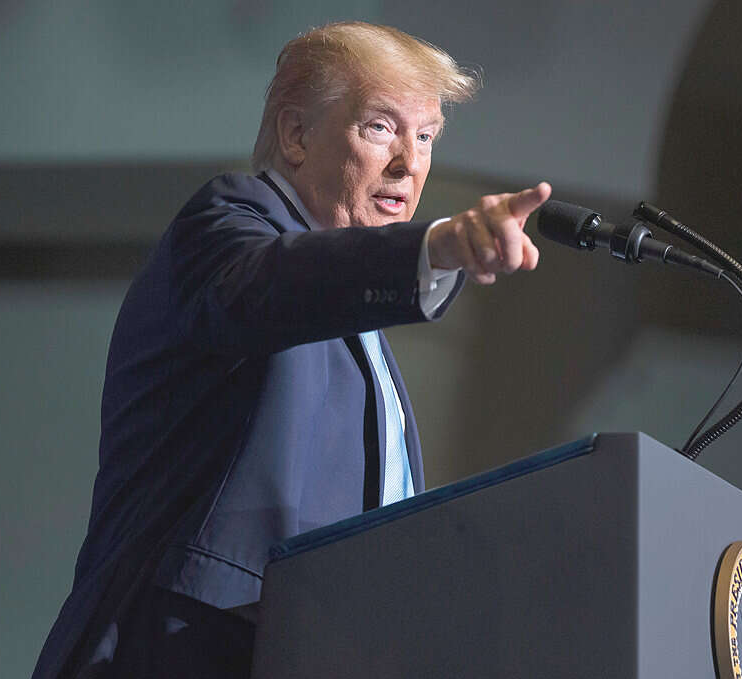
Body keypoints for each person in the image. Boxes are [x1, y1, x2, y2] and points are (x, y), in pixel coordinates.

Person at [32, 21, 550, 679]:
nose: (409, 163)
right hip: (189, 644)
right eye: (381, 127)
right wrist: (435, 247)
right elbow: (272, 285)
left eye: (425, 137)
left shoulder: (357, 324)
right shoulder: (227, 223)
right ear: (296, 135)